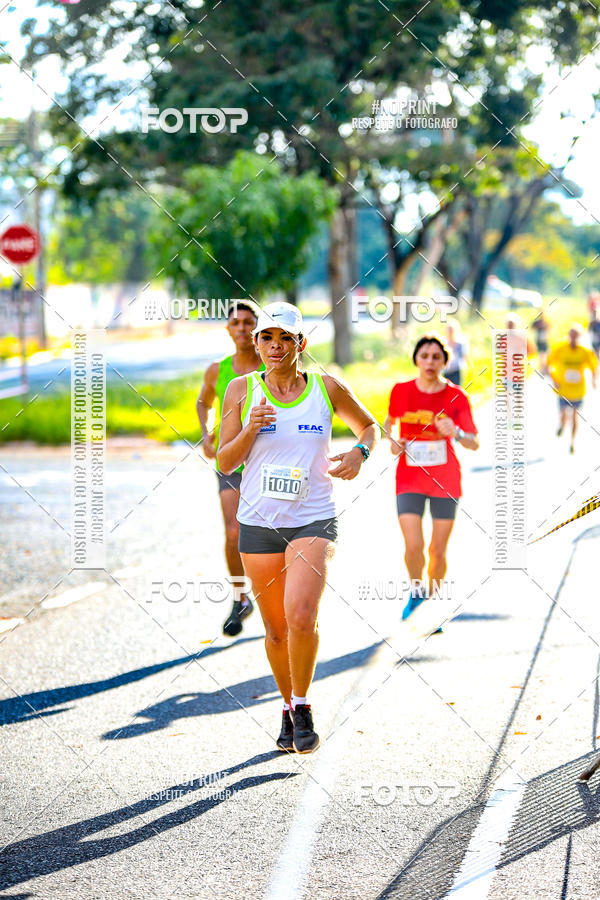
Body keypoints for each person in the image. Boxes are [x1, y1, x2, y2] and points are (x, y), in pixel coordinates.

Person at [217, 301, 378, 754]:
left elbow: (369, 427)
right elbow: (225, 460)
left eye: (284, 338)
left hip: (313, 516)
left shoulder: (325, 388)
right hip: (259, 522)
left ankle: (303, 706)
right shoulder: (240, 390)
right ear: (256, 341)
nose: (274, 346)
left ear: (300, 343)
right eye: (266, 337)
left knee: (301, 616)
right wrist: (250, 429)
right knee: (275, 631)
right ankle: (286, 706)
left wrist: (359, 454)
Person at [384, 334, 479, 629]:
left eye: (436, 357)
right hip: (409, 478)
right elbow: (389, 424)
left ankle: (432, 603)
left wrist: (457, 433)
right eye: (424, 356)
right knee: (414, 544)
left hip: (445, 480)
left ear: (444, 362)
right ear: (415, 359)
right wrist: (393, 442)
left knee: (437, 550)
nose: (429, 362)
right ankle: (416, 592)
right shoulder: (400, 391)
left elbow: (474, 442)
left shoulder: (457, 396)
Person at [197, 299, 265, 636]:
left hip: (268, 460)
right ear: (228, 329)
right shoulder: (218, 369)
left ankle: (277, 595)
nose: (242, 329)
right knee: (234, 531)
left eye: (249, 323)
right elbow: (203, 401)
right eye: (236, 323)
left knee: (274, 531)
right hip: (231, 459)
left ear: (258, 328)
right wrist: (206, 434)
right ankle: (241, 598)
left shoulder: (272, 363)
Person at [547, 323, 598, 454]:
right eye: (571, 335)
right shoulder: (560, 348)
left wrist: (594, 380)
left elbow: (594, 367)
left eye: (576, 336)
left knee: (575, 416)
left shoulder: (585, 351)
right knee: (563, 414)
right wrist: (554, 380)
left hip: (578, 390)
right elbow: (548, 364)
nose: (573, 338)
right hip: (563, 389)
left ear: (580, 337)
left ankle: (573, 442)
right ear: (568, 336)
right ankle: (562, 425)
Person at [444, 322, 469, 386]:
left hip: (457, 371)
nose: (450, 332)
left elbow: (465, 357)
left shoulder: (460, 344)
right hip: (446, 371)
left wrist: (466, 369)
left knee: (456, 389)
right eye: (449, 330)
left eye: (451, 330)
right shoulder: (443, 343)